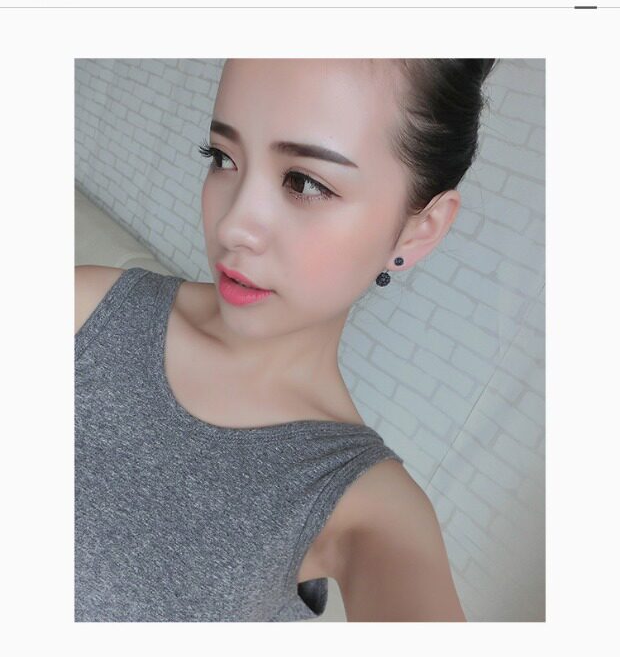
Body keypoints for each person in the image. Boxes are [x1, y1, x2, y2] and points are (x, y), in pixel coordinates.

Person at [75, 58, 496, 622]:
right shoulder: (82, 311)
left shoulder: (368, 507)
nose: (232, 226)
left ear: (419, 230)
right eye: (222, 158)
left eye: (305, 183)